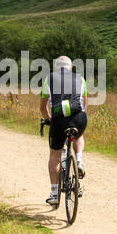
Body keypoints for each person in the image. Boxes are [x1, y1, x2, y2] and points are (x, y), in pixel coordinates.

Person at [40, 56, 88, 206]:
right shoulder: (81, 79)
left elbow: (43, 107)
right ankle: (79, 160)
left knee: (54, 156)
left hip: (59, 120)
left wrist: (48, 120)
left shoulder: (49, 79)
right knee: (79, 135)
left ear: (56, 67)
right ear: (70, 67)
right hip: (79, 118)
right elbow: (84, 105)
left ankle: (54, 193)